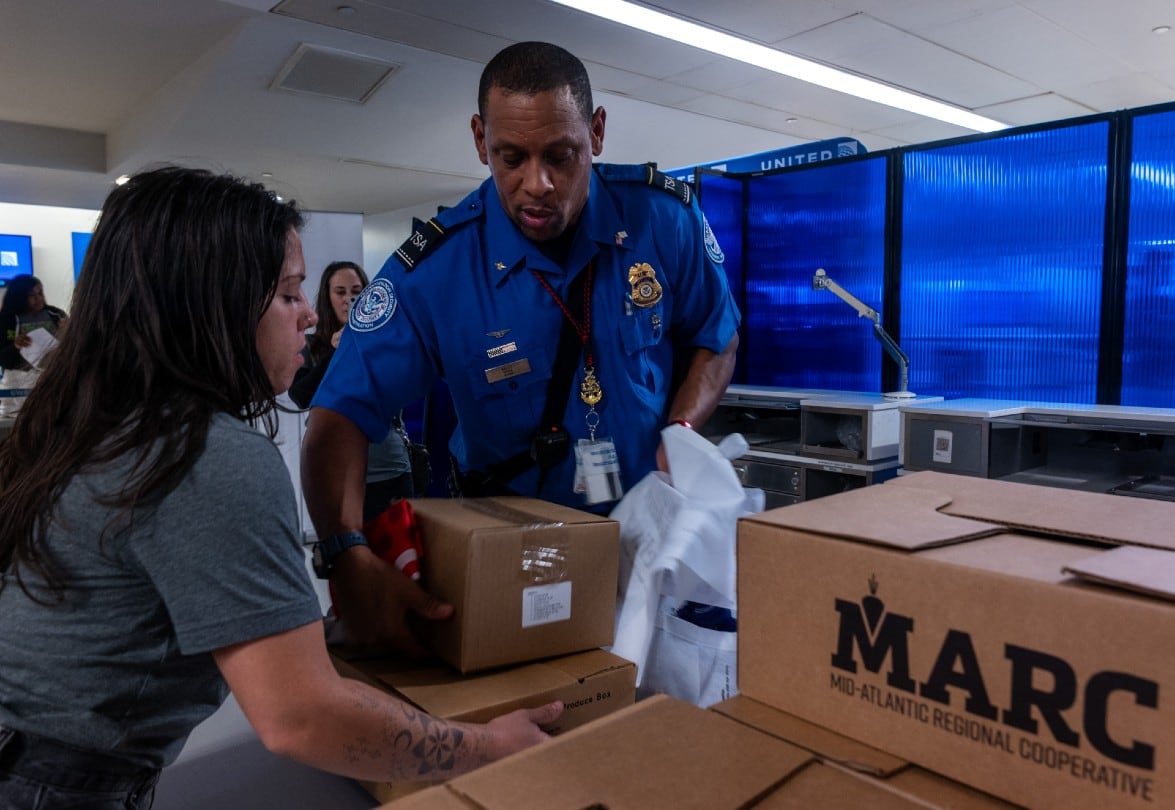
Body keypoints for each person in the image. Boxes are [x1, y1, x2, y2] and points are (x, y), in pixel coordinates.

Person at [0, 166, 561, 810]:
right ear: (217, 303)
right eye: (291, 292)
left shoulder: (91, 421)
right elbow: (300, 717)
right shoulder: (202, 454)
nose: (309, 317)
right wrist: (488, 746)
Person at [301, 41, 740, 649]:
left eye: (562, 156)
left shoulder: (663, 221)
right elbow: (337, 418)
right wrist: (345, 552)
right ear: (481, 140)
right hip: (516, 556)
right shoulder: (435, 270)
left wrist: (682, 433)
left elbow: (717, 337)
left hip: (648, 533)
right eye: (511, 157)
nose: (538, 184)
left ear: (598, 131)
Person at [289, 260, 418, 520]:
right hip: (334, 471)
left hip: (388, 467)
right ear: (327, 298)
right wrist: (337, 353)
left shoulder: (382, 340)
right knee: (343, 554)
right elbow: (300, 395)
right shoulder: (313, 345)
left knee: (400, 552)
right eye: (340, 292)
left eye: (356, 291)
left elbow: (405, 389)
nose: (349, 299)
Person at [0, 274, 67, 417]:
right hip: (18, 384)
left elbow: (74, 349)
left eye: (40, 293)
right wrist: (15, 346)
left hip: (52, 379)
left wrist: (69, 332)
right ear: (19, 297)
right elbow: (3, 358)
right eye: (32, 296)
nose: (38, 299)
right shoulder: (6, 319)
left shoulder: (55, 314)